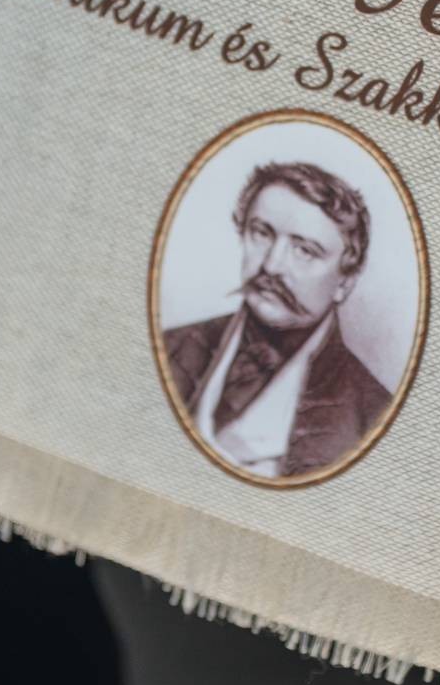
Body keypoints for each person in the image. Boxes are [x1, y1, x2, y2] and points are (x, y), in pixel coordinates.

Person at [162, 161, 391, 478]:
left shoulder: (371, 417)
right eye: (262, 233)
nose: (271, 265)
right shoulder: (169, 346)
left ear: (345, 282)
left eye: (304, 251)